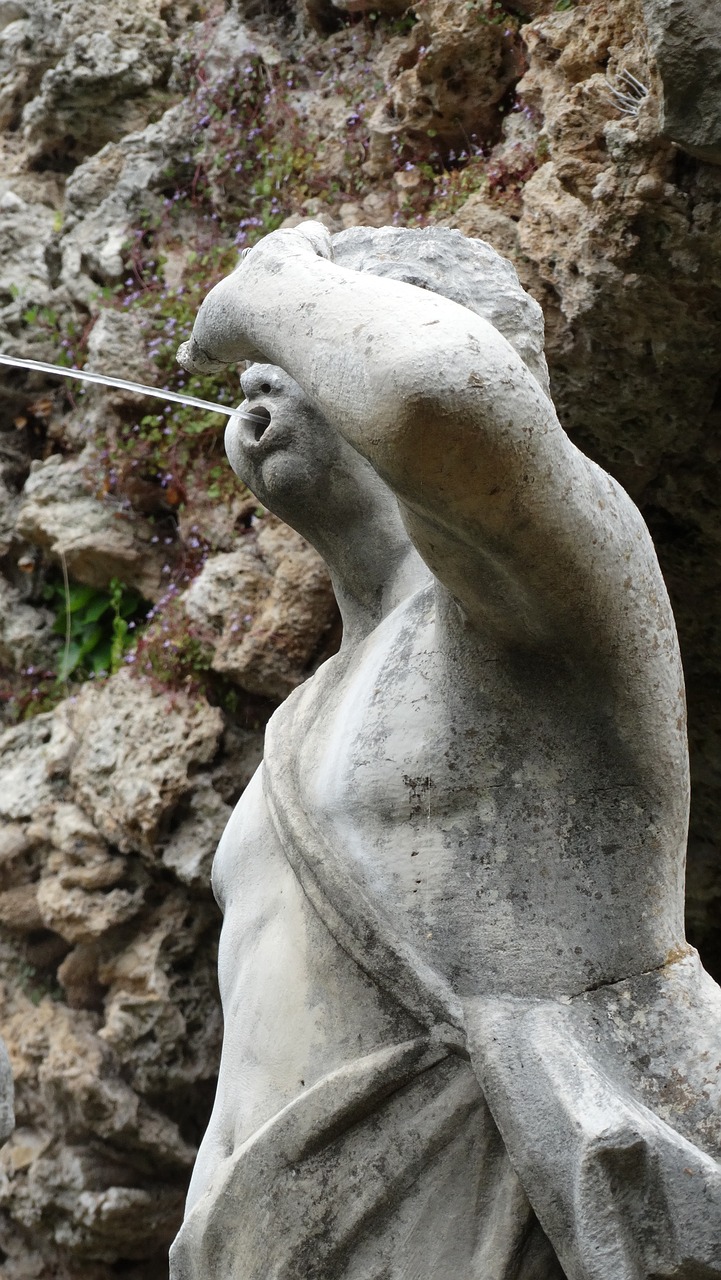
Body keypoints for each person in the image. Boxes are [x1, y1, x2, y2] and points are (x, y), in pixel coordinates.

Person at [170, 222, 721, 1280]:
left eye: (299, 353)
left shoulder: (555, 602)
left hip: (492, 1214)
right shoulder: (301, 717)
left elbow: (439, 390)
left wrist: (279, 282)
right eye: (254, 372)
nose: (256, 396)